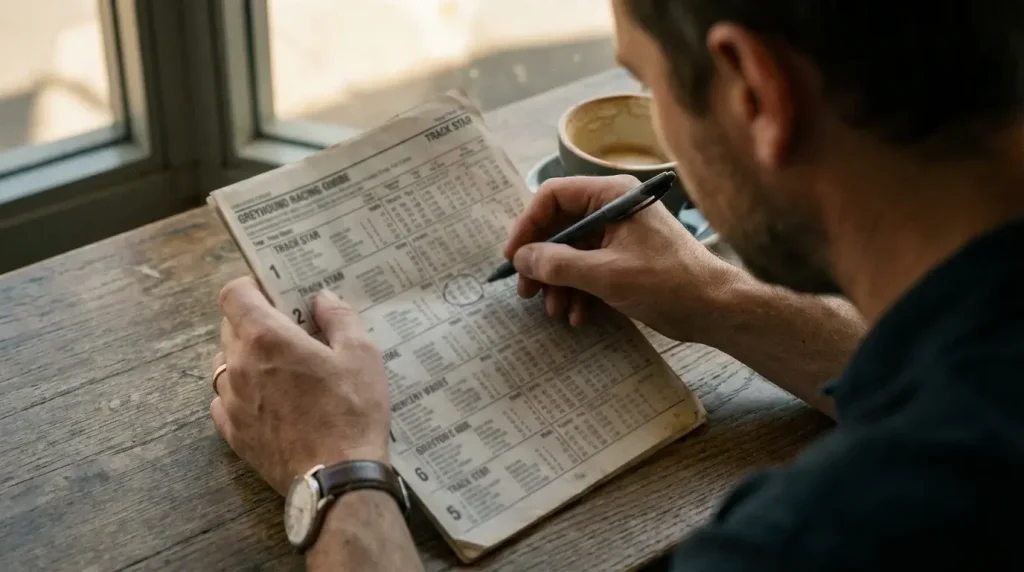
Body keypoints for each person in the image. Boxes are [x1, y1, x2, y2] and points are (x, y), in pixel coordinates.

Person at [210, 0, 1024, 569]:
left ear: (755, 92)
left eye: (648, 83)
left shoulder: (822, 538)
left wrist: (337, 470)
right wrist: (722, 300)